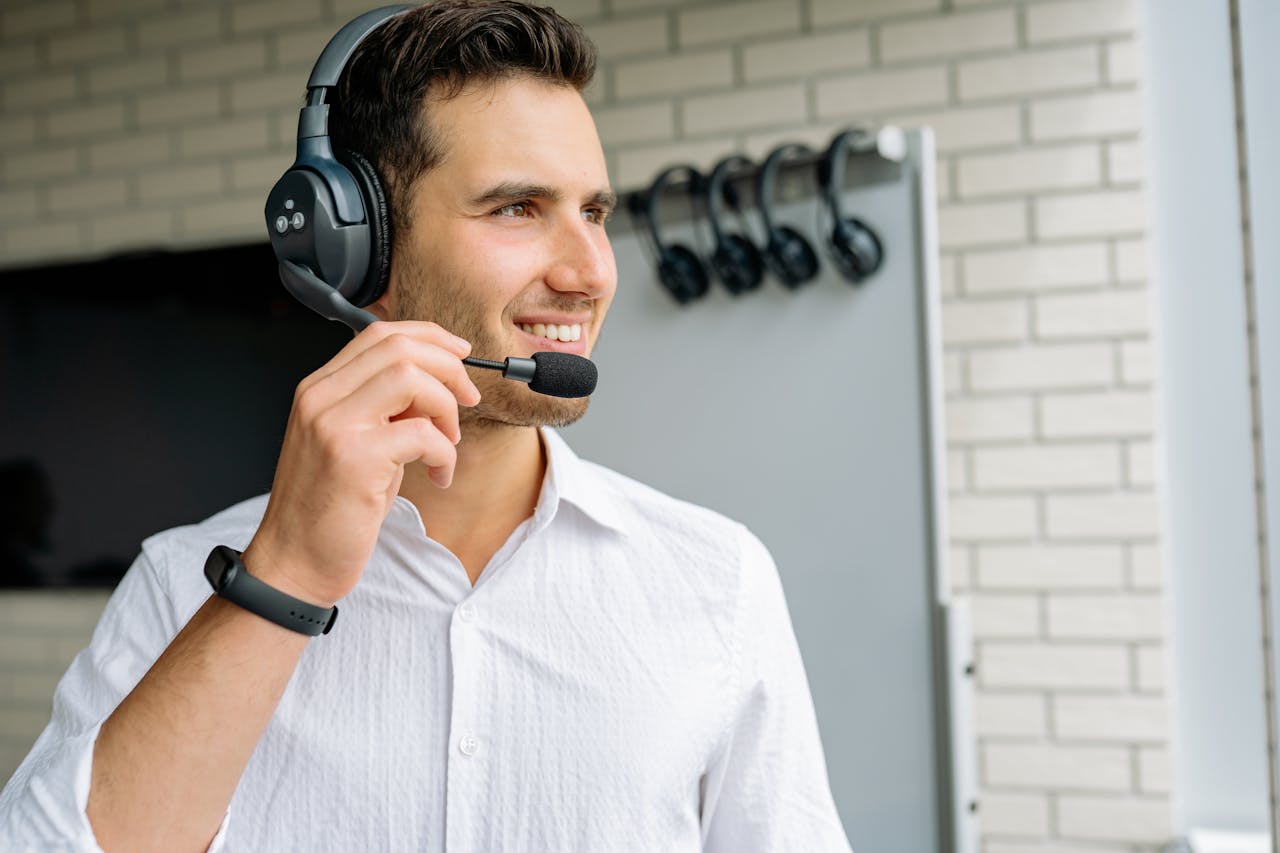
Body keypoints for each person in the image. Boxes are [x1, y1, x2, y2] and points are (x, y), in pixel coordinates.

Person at [0, 2, 852, 851]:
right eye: (518, 207)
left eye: (593, 212)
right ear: (361, 249)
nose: (590, 271)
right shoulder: (184, 581)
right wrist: (283, 578)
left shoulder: (716, 579)